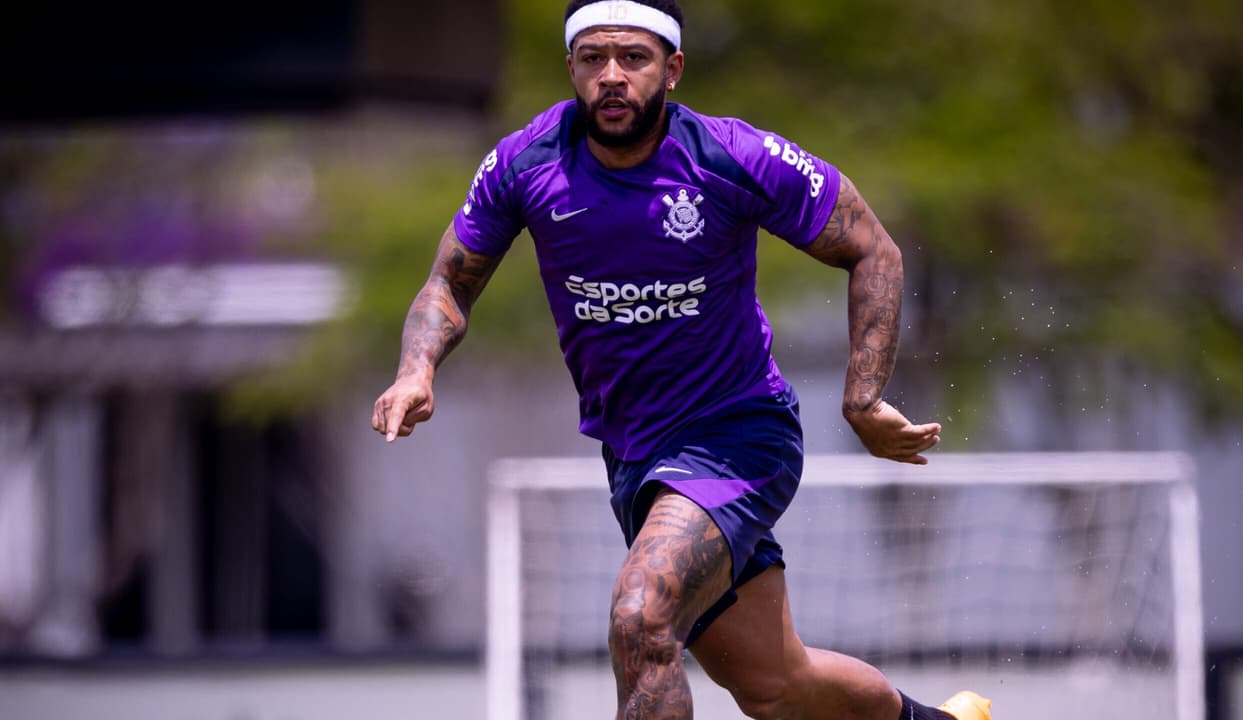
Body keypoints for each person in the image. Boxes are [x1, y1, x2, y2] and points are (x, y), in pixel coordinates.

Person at [371, 1, 992, 718]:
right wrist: (417, 369)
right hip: (637, 460)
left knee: (640, 614)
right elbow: (451, 277)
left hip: (739, 437)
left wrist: (861, 399)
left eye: (632, 58)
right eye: (592, 57)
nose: (611, 76)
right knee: (773, 685)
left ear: (672, 68)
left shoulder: (731, 156)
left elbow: (870, 246)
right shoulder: (525, 163)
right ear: (570, 67)